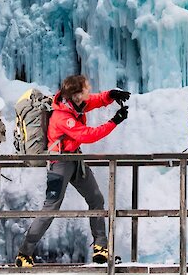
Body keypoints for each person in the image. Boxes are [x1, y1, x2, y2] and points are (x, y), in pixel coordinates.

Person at [15, 75, 131, 267]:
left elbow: (96, 99)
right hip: (59, 163)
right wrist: (114, 121)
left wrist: (111, 95)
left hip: (75, 159)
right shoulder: (63, 117)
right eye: (86, 87)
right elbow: (88, 135)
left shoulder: (75, 105)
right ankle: (23, 254)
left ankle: (100, 248)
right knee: (51, 208)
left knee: (96, 199)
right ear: (77, 95)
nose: (90, 89)